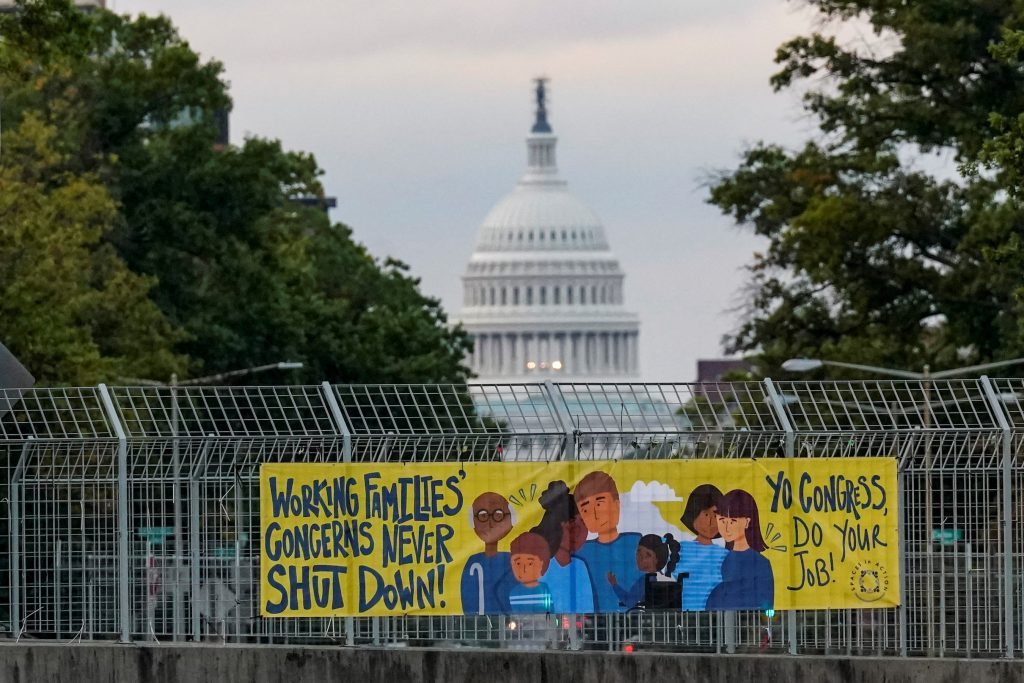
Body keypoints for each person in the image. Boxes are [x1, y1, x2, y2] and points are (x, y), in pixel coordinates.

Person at [573, 471, 641, 612]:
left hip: (637, 618)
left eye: (600, 504)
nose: (596, 515)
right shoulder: (582, 552)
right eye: (586, 510)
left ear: (617, 504)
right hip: (594, 622)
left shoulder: (636, 543)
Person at [531, 481, 596, 613]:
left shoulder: (580, 566)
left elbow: (588, 608)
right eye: (571, 522)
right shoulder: (539, 564)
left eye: (583, 521)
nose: (579, 529)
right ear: (556, 525)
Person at [705, 489, 774, 611]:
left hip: (751, 621)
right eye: (722, 520)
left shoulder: (761, 563)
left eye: (733, 521)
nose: (726, 528)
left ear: (747, 522)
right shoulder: (719, 558)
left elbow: (766, 603)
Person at [460, 492, 516, 614]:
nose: (490, 523)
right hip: (477, 624)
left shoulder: (512, 560)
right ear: (473, 522)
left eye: (498, 515)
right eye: (483, 516)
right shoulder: (472, 563)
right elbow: (468, 600)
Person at [676, 484, 730, 610]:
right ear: (693, 513)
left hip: (718, 609)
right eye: (706, 515)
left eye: (715, 515)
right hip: (685, 610)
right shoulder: (680, 550)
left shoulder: (726, 554)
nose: (711, 522)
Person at [607, 533, 681, 610]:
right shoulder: (668, 578)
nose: (640, 558)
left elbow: (629, 602)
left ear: (657, 559)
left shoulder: (646, 580)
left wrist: (614, 585)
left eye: (647, 555)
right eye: (638, 553)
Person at [508, 532, 554, 613]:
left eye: (530, 563)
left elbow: (551, 611)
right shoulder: (514, 592)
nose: (524, 569)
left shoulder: (545, 589)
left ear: (542, 564)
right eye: (518, 563)